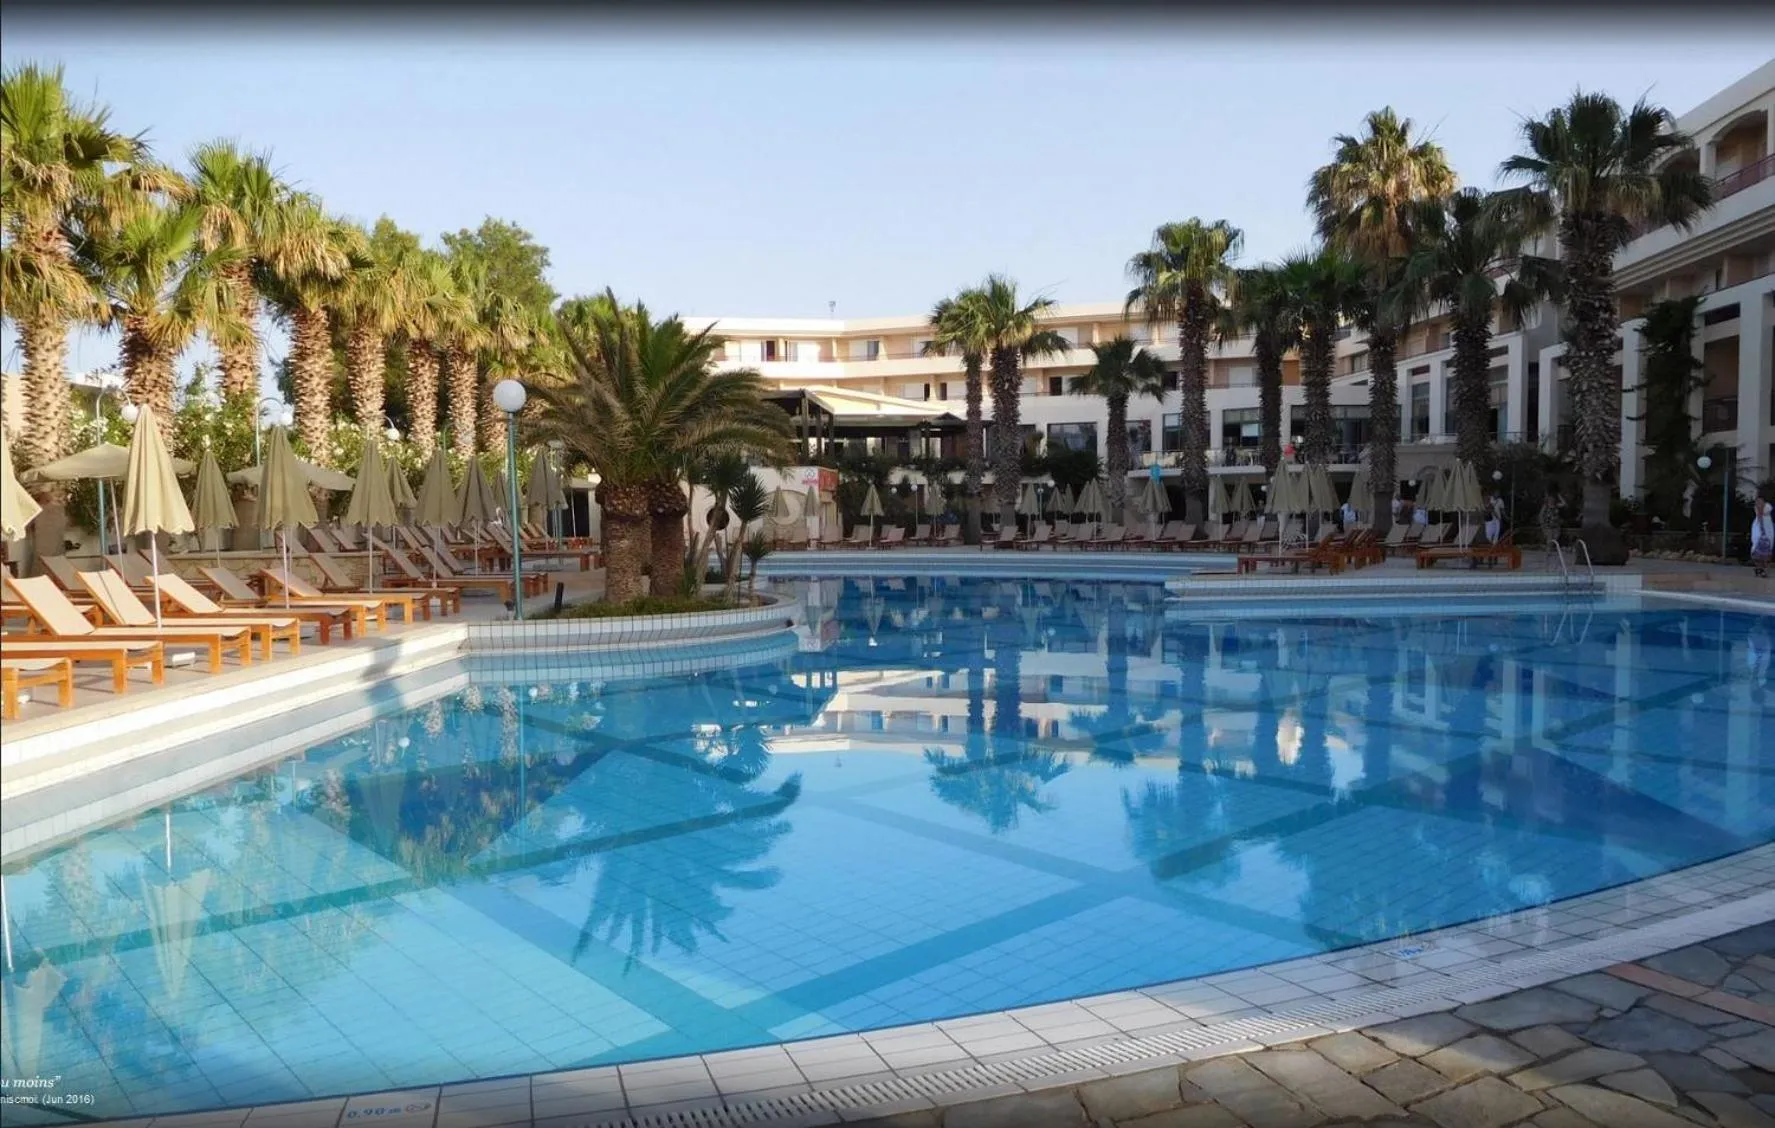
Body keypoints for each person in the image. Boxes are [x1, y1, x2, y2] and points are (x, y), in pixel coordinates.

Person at [1751, 495, 1773, 579]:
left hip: (1768, 526)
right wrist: (1761, 527)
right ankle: (1760, 568)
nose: (1758, 502)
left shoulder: (1768, 507)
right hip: (1759, 527)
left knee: (1767, 547)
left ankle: (1763, 569)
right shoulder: (1757, 509)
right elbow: (1759, 516)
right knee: (1757, 546)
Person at [1539, 486, 1563, 553]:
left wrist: (1559, 496)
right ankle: (1548, 552)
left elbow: (1564, 504)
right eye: (1550, 499)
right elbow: (1541, 515)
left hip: (1556, 525)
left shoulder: (1556, 505)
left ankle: (1550, 550)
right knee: (1549, 539)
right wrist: (1542, 524)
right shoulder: (1545, 506)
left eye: (1552, 499)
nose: (1551, 500)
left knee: (1555, 538)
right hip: (1548, 525)